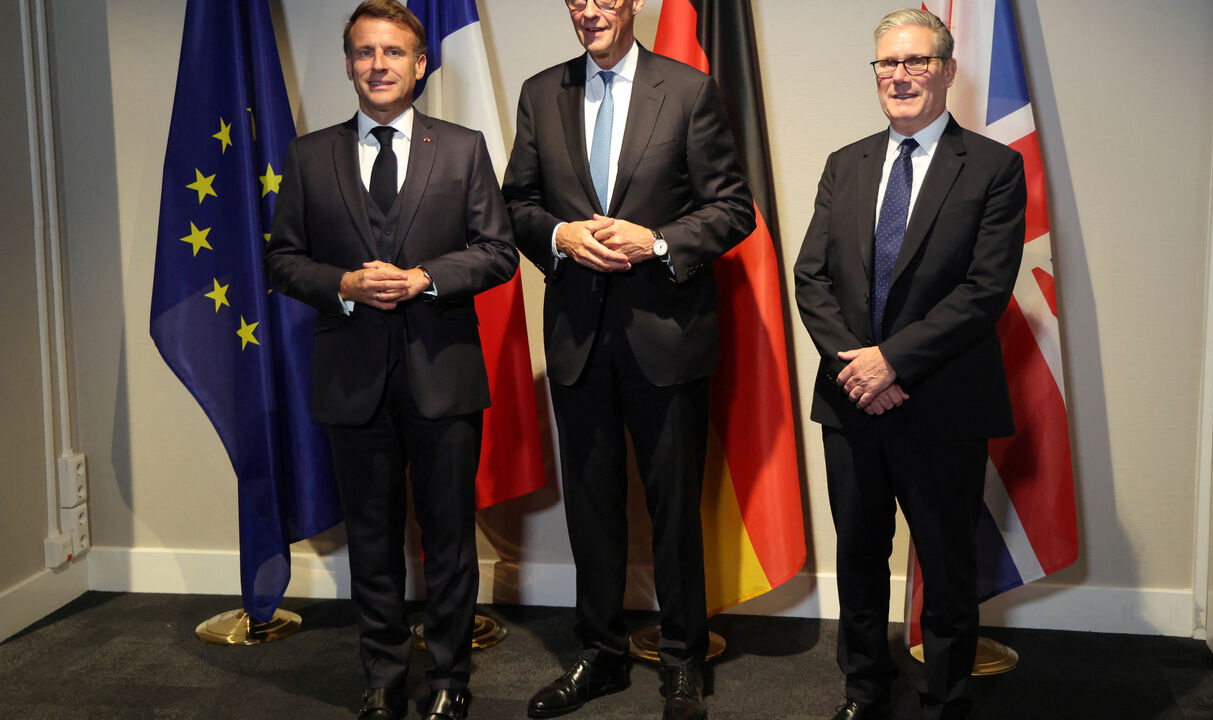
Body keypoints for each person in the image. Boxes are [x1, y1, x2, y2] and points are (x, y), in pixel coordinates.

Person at [264, 1, 518, 718]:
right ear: (349, 64)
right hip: (352, 379)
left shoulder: (463, 148)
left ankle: (450, 678)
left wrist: (426, 278)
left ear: (420, 64)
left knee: (449, 539)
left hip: (444, 375)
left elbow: (498, 252)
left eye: (394, 52)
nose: (379, 65)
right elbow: (282, 260)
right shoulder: (309, 156)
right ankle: (382, 677)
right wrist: (342, 285)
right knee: (371, 540)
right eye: (365, 52)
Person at [502, 0, 754, 717]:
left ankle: (683, 659)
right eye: (575, 0)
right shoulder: (540, 92)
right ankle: (600, 654)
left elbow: (732, 206)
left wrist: (659, 242)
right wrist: (558, 237)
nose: (588, 11)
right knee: (591, 508)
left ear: (635, 2)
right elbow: (516, 203)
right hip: (578, 337)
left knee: (675, 510)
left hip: (667, 336)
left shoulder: (689, 89)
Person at [793, 8, 1027, 720]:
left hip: (942, 404)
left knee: (947, 565)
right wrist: (859, 370)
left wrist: (891, 364)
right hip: (851, 403)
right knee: (860, 560)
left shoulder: (994, 168)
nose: (899, 76)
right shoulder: (845, 163)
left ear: (948, 71)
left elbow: (983, 292)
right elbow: (812, 278)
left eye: (916, 61)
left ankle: (946, 697)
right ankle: (864, 690)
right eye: (887, 63)